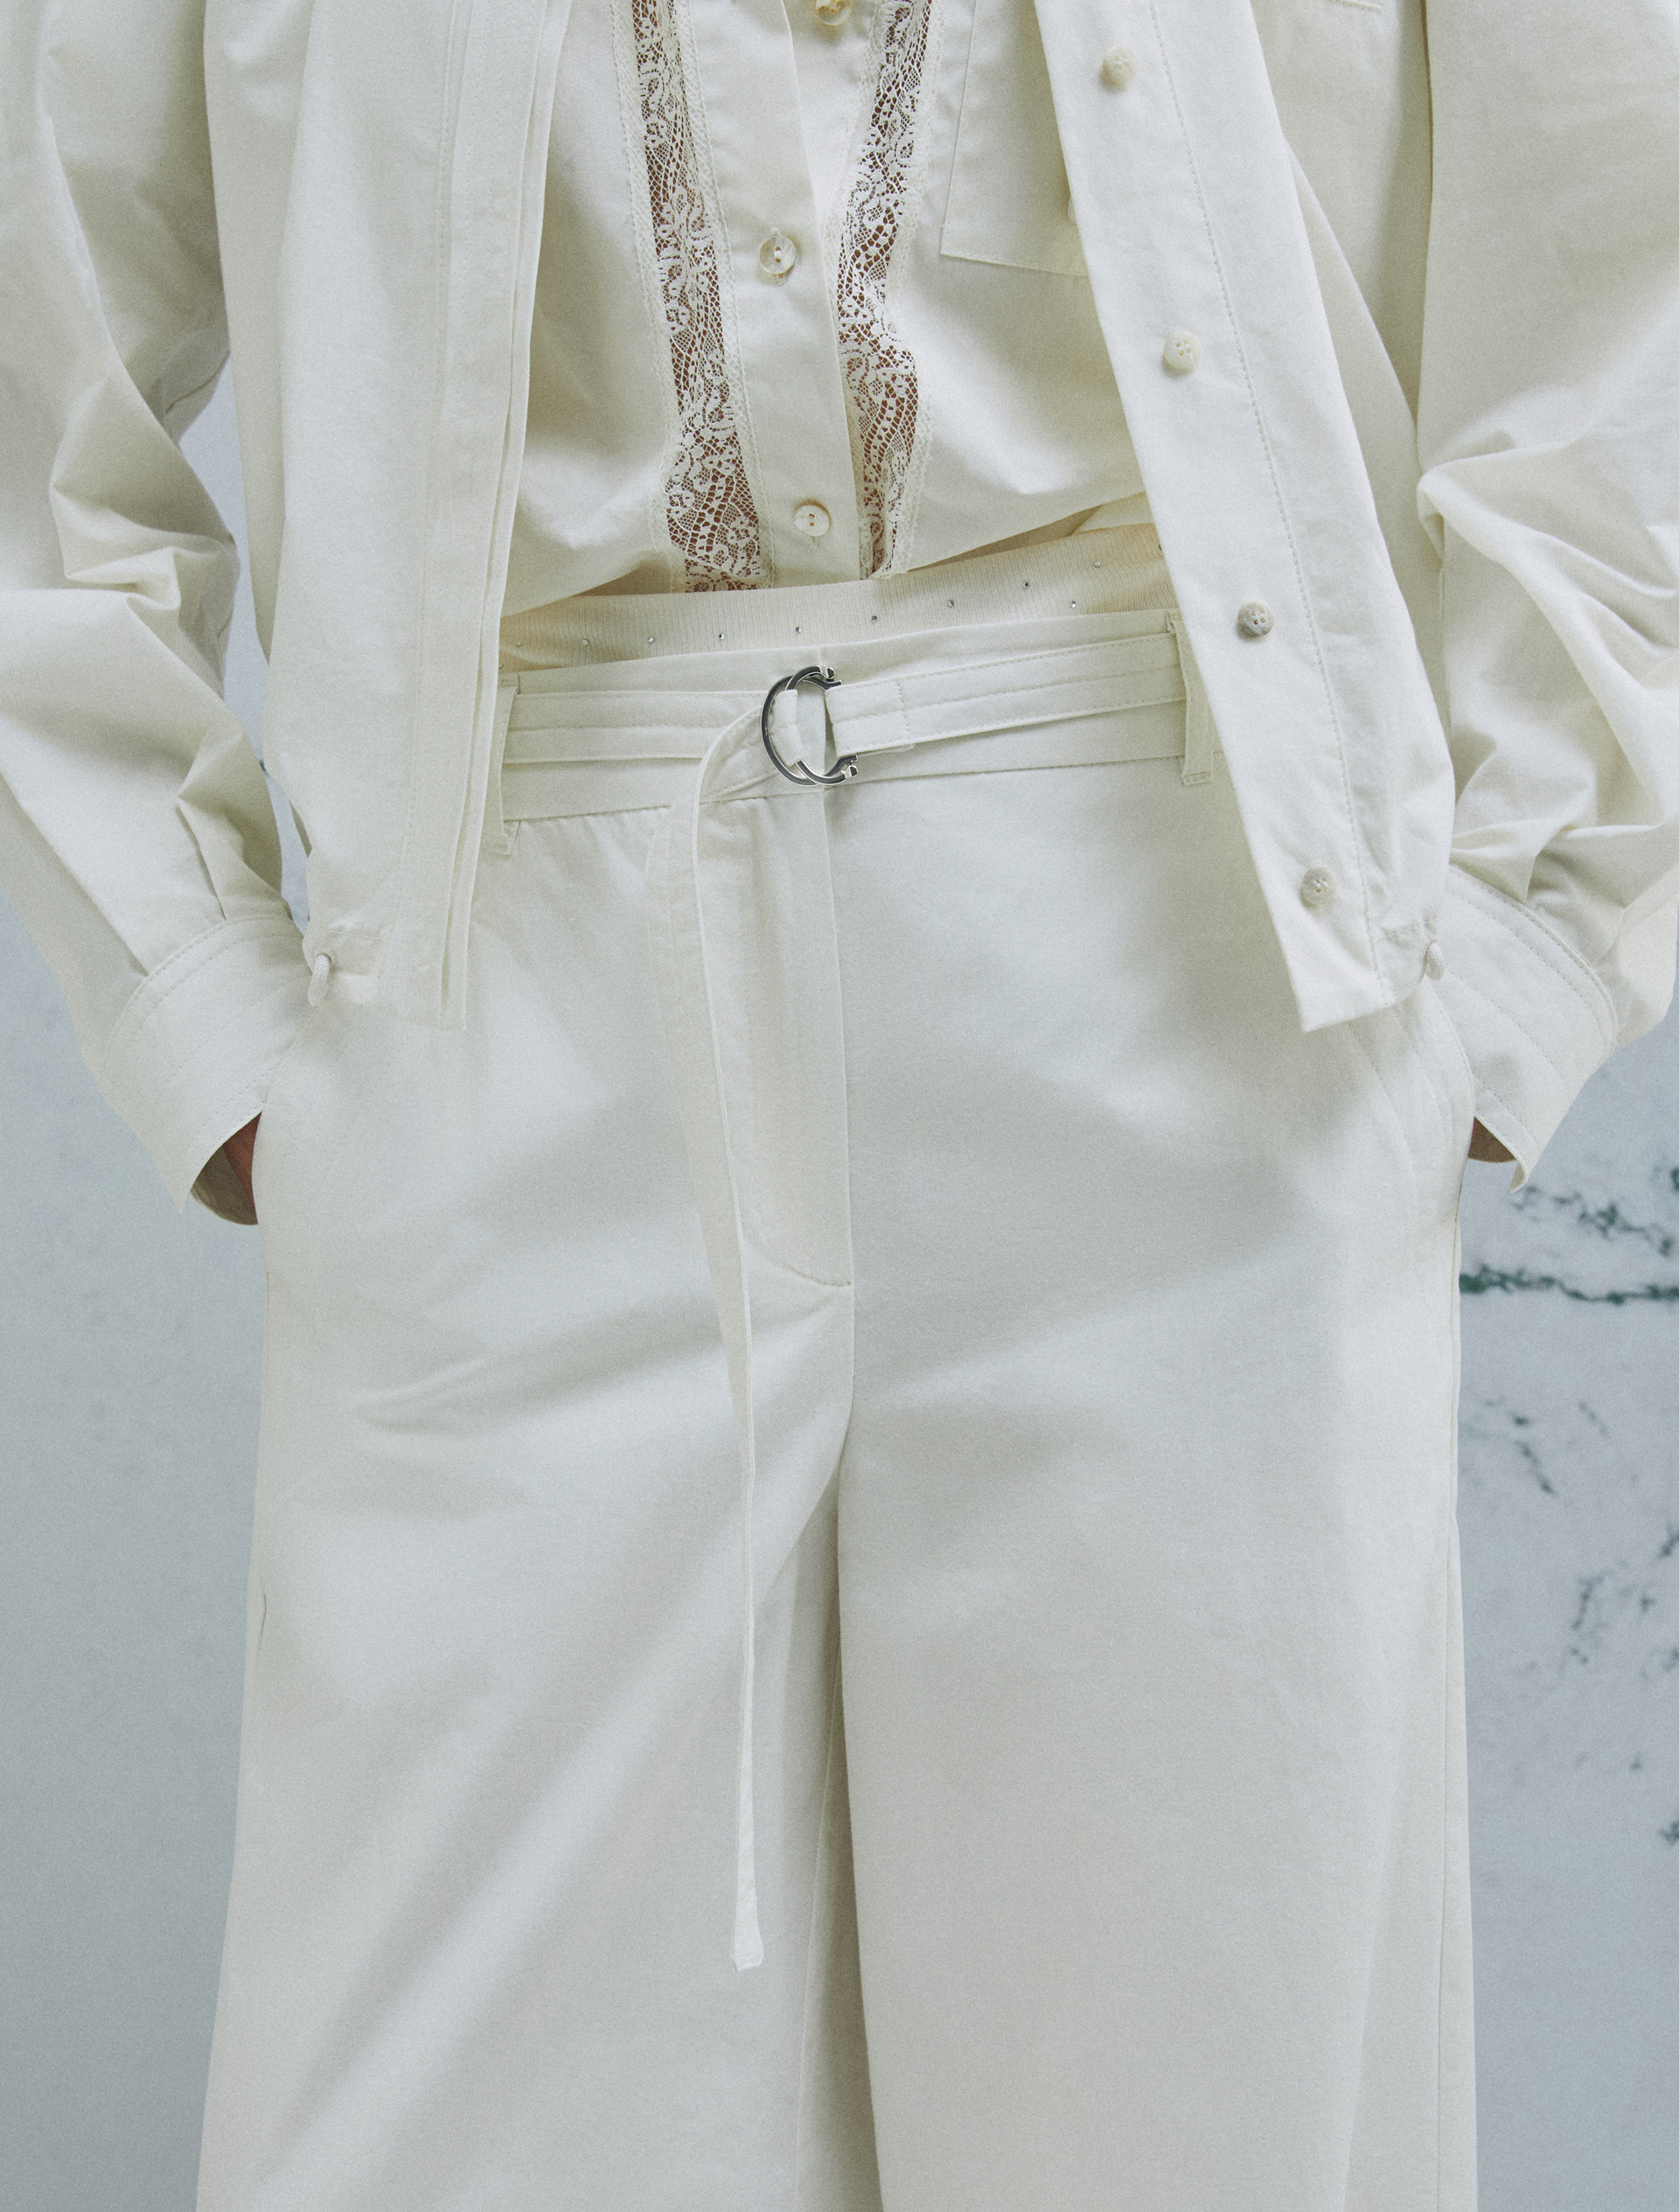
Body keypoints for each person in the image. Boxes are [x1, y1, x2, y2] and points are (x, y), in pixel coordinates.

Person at [3, 2, 1675, 2206]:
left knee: (1199, 2120)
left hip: (1191, 975)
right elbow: (40, 320)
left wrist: (1525, 932)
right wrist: (202, 996)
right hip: (513, 962)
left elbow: (1620, 219)